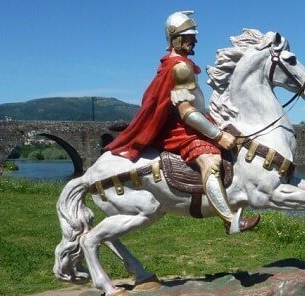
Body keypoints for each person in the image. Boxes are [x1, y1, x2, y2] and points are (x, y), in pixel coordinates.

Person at [104, 10, 259, 234]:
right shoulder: (180, 67)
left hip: (194, 121)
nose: (194, 39)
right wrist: (218, 135)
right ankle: (230, 221)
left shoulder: (181, 63)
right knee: (211, 162)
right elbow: (186, 112)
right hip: (181, 129)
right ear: (176, 38)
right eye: (189, 36)